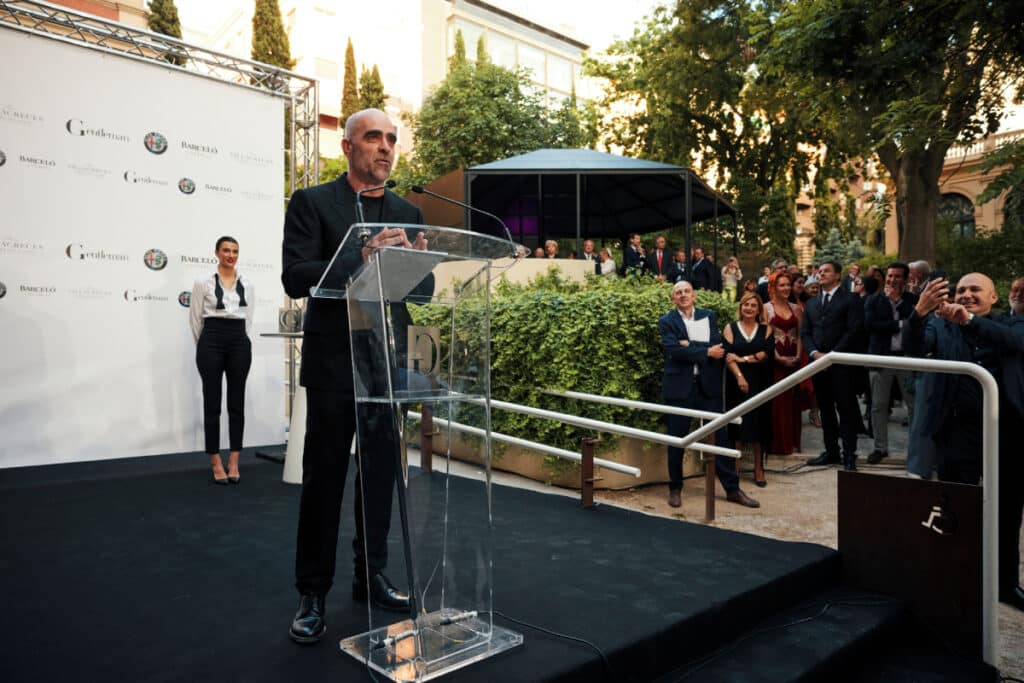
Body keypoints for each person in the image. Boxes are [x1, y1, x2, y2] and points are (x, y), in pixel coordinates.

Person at [281, 108, 426, 644]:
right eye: (373, 138)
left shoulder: (409, 210)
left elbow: (421, 294)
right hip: (334, 366)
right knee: (324, 482)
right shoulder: (313, 203)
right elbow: (295, 277)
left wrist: (413, 267)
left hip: (384, 364)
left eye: (391, 139)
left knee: (381, 476)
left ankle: (372, 577)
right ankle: (312, 591)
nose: (385, 147)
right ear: (347, 147)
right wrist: (360, 256)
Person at [904, 273, 1024, 611]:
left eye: (975, 290)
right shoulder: (940, 327)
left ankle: (1005, 584)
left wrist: (969, 320)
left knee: (1007, 510)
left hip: (1009, 434)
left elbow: (1015, 343)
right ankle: (955, 578)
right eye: (961, 290)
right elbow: (912, 348)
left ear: (995, 297)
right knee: (956, 506)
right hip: (956, 430)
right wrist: (918, 313)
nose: (967, 295)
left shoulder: (1011, 324)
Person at [658, 281, 760, 509]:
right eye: (678, 293)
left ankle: (732, 489)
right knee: (676, 440)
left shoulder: (709, 316)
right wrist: (703, 350)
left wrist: (689, 345)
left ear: (694, 295)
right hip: (679, 388)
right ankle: (675, 488)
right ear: (673, 299)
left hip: (708, 387)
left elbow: (719, 348)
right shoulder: (667, 321)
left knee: (720, 438)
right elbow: (673, 350)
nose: (683, 295)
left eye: (686, 291)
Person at [189, 236, 254, 485]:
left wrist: (239, 340)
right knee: (212, 403)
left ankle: (234, 460)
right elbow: (195, 319)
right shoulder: (202, 282)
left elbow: (248, 317)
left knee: (236, 402)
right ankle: (215, 460)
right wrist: (205, 344)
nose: (231, 255)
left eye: (235, 251)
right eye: (226, 250)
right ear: (216, 252)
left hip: (238, 339)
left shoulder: (247, 283)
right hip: (211, 339)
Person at [802, 260, 865, 470]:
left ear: (838, 275)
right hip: (818, 365)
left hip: (841, 366)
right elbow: (805, 332)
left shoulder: (851, 299)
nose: (821, 274)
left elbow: (854, 330)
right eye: (819, 271)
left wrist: (833, 355)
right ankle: (831, 452)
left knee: (845, 411)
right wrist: (814, 353)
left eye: (826, 271)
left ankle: (849, 456)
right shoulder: (811, 303)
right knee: (825, 410)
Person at [863, 263, 917, 464]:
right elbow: (870, 325)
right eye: (890, 276)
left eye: (897, 276)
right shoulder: (874, 300)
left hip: (906, 358)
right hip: (881, 358)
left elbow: (917, 322)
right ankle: (880, 448)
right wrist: (899, 325)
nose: (893, 280)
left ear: (905, 279)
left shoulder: (912, 300)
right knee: (878, 405)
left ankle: (915, 448)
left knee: (912, 405)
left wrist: (899, 306)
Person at [723, 292, 774, 487]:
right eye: (746, 305)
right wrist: (740, 376)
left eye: (753, 305)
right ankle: (734, 466)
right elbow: (728, 356)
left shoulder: (766, 329)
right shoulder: (731, 328)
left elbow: (766, 353)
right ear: (740, 307)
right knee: (737, 423)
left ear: (759, 309)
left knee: (759, 424)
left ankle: (758, 468)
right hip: (737, 382)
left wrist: (743, 358)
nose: (749, 308)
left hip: (761, 382)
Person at [764, 272, 805, 455]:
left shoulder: (797, 308)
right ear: (773, 287)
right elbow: (765, 338)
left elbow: (800, 335)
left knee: (792, 400)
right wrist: (778, 357)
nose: (786, 288)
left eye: (788, 284)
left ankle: (792, 441)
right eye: (782, 285)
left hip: (793, 358)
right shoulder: (766, 308)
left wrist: (797, 355)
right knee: (777, 402)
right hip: (775, 360)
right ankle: (778, 444)